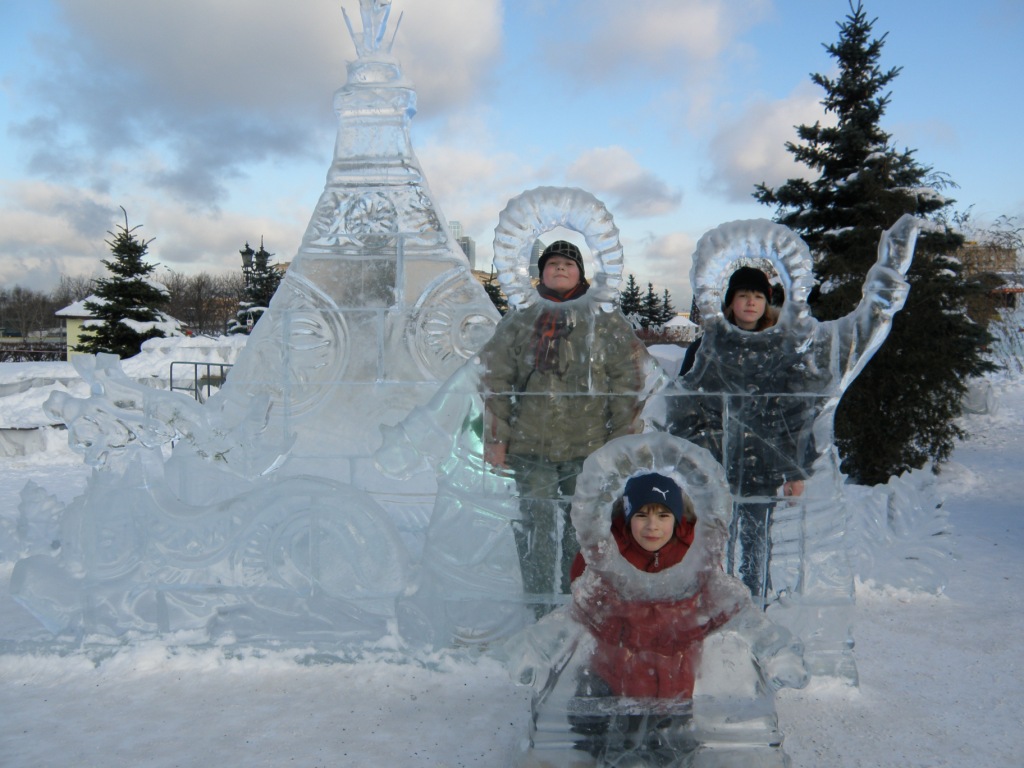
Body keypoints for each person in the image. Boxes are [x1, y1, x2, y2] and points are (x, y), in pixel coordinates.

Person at [482, 240, 646, 612]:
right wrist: (497, 438)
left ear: (581, 274)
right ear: (540, 274)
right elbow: (497, 381)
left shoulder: (603, 320)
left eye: (568, 264)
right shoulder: (520, 320)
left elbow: (627, 383)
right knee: (535, 527)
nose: (560, 268)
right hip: (531, 446)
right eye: (552, 263)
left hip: (589, 448)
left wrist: (622, 440)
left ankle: (577, 605)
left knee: (584, 530)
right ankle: (540, 605)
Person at [673, 265, 807, 606]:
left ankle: (753, 605)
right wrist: (692, 456)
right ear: (730, 302)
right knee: (710, 539)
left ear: (766, 303)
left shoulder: (780, 350)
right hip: (713, 465)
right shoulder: (706, 348)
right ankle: (708, 605)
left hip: (761, 465)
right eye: (743, 295)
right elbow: (684, 406)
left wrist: (794, 470)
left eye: (758, 296)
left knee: (756, 540)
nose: (750, 302)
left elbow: (793, 413)